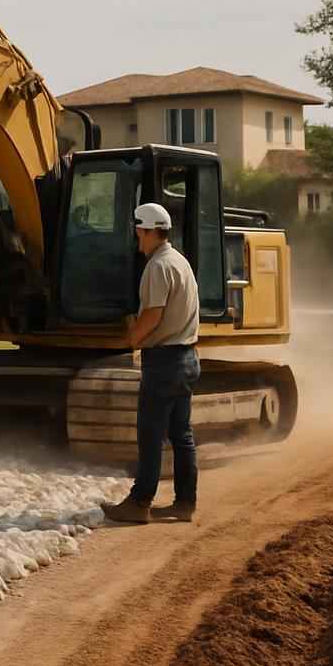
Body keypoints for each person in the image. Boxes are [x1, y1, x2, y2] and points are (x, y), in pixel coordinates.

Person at [101, 202, 201, 525]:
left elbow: (153, 315)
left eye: (138, 232)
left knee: (150, 433)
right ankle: (185, 503)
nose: (136, 239)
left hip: (164, 361)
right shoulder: (180, 262)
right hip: (187, 357)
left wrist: (131, 338)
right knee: (181, 434)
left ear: (147, 230)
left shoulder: (157, 266)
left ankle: (140, 502)